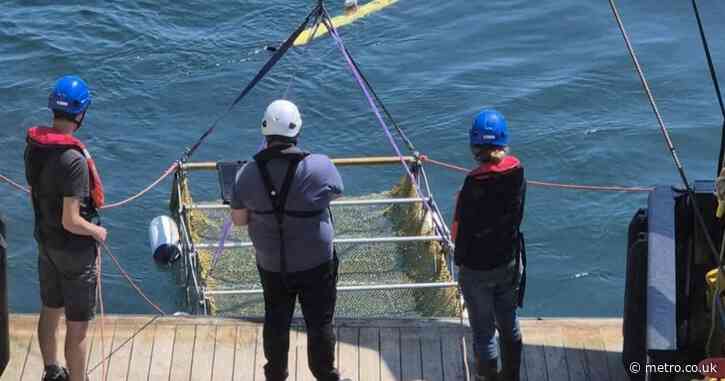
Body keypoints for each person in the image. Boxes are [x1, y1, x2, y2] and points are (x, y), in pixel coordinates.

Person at [230, 99, 344, 381]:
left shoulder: (246, 174)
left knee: (277, 320)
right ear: (297, 131)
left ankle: (276, 375)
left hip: (272, 265)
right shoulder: (319, 166)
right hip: (317, 264)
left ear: (264, 132)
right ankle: (325, 374)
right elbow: (337, 191)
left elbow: (239, 220)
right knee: (319, 323)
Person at [24, 75, 107, 381]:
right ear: (81, 114)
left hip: (46, 243)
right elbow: (71, 220)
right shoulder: (73, 160)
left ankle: (50, 371)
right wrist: (97, 232)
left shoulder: (34, 147)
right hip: (74, 252)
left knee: (49, 309)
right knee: (77, 327)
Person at [452, 109, 526, 381]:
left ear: (475, 147)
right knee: (509, 322)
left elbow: (456, 232)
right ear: (503, 142)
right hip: (507, 261)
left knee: (484, 333)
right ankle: (512, 376)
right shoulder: (518, 175)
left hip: (476, 271)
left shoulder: (471, 185)